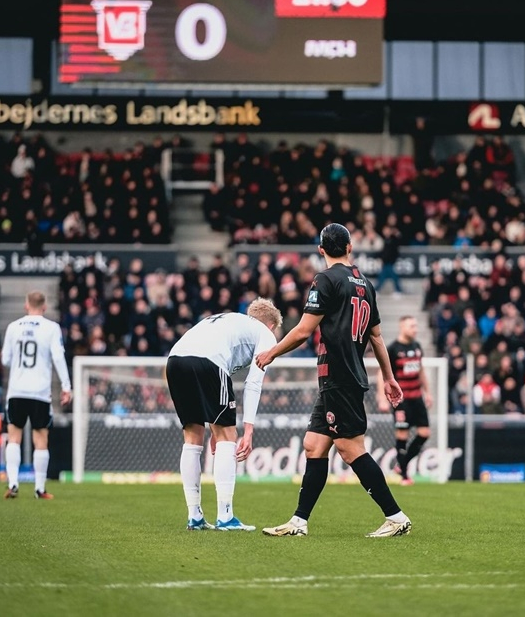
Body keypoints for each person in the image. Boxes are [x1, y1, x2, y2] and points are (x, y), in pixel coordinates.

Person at [256, 223, 411, 538]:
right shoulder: (366, 284)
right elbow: (377, 337)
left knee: (350, 448)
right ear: (350, 248)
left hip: (339, 375)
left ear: (321, 250)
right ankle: (299, 522)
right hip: (343, 375)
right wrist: (389, 377)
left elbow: (303, 330)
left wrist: (272, 352)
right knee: (314, 445)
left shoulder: (325, 279)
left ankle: (396, 517)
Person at [166, 298, 283, 530]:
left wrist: (214, 428)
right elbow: (253, 383)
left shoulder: (229, 320)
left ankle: (195, 516)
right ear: (271, 325)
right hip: (208, 362)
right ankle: (226, 517)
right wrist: (248, 430)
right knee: (228, 437)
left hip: (174, 361)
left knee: (192, 438)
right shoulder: (266, 334)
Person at [1, 291, 72, 499]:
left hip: (16, 390)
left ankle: (13, 483)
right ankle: (39, 489)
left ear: (26, 305)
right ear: (44, 307)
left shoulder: (13, 327)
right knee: (41, 439)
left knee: (13, 437)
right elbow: (58, 357)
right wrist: (66, 386)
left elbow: (5, 360)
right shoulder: (51, 328)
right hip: (40, 391)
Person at [376, 315, 432, 485]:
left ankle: (402, 464)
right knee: (403, 435)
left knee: (424, 433)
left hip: (417, 397)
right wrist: (382, 398)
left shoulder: (417, 346)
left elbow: (420, 370)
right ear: (402, 327)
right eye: (411, 326)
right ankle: (404, 476)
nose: (415, 329)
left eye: (415, 326)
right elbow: (382, 373)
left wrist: (428, 392)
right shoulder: (393, 349)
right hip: (402, 400)